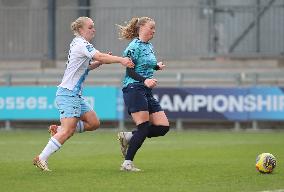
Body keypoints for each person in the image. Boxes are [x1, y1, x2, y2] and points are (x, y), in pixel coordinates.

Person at [33, 16, 134, 171]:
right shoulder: (81, 44)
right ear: (80, 29)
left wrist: (98, 63)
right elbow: (100, 55)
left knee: (94, 122)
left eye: (93, 26)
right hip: (68, 94)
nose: (93, 29)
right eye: (90, 27)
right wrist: (121, 59)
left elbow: (86, 66)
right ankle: (41, 158)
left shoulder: (78, 43)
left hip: (74, 95)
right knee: (68, 130)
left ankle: (57, 130)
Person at [116, 17, 170, 171]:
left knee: (163, 127)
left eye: (155, 28)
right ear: (141, 28)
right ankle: (127, 163)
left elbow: (145, 65)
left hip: (145, 90)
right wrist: (145, 80)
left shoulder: (149, 46)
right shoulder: (134, 46)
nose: (154, 31)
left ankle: (128, 136)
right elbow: (129, 70)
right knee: (144, 128)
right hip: (134, 88)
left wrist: (156, 67)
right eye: (151, 27)